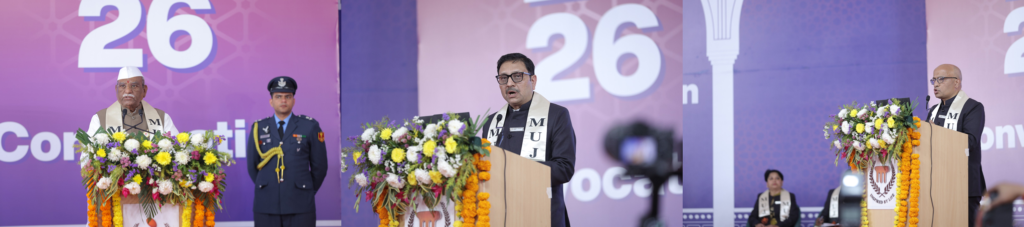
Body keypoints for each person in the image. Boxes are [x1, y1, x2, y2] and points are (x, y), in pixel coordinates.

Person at [480, 53, 576, 227]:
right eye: (503, 78)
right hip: (500, 217)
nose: (509, 83)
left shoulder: (556, 115)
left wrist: (515, 170)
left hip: (543, 215)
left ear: (533, 80)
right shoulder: (491, 122)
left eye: (517, 76)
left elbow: (564, 168)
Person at [246, 76, 328, 227]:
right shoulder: (258, 127)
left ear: (293, 101)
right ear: (271, 101)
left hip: (300, 204)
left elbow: (320, 167)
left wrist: (305, 190)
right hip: (266, 203)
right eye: (278, 97)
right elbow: (252, 165)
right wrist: (268, 185)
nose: (283, 101)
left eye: (287, 97)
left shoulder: (309, 126)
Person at [926, 64, 986, 227]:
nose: (936, 84)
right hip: (936, 185)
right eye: (934, 80)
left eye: (941, 79)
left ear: (957, 82)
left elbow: (970, 142)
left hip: (964, 185)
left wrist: (937, 132)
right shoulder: (933, 111)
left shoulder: (973, 107)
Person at [83, 66, 178, 167]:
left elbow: (177, 153)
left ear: (144, 90)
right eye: (122, 86)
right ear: (116, 90)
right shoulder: (100, 118)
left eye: (134, 86)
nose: (128, 91)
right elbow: (86, 160)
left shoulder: (162, 118)